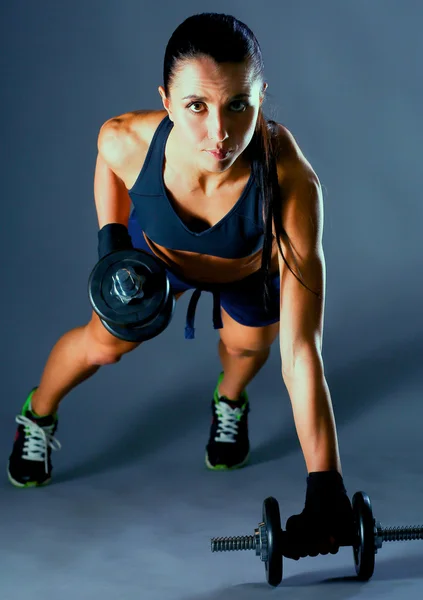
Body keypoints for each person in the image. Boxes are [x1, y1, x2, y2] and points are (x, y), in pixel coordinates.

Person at [7, 13, 354, 559]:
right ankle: (39, 412)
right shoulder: (129, 138)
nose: (219, 132)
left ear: (261, 97)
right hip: (156, 261)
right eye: (197, 106)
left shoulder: (291, 183)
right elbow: (106, 153)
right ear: (167, 101)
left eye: (238, 104)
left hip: (247, 273)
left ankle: (230, 401)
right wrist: (112, 243)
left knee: (249, 348)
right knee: (103, 346)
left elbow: (302, 351)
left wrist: (326, 485)